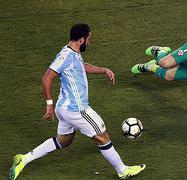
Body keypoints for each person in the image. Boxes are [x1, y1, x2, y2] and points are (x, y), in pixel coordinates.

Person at [8, 23, 145, 180]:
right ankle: (122, 170)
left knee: (64, 140)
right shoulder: (65, 56)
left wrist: (103, 69)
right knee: (103, 136)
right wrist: (49, 105)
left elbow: (81, 66)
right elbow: (47, 77)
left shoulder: (72, 52)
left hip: (64, 108)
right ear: (81, 40)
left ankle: (24, 159)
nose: (89, 42)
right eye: (89, 39)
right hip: (77, 110)